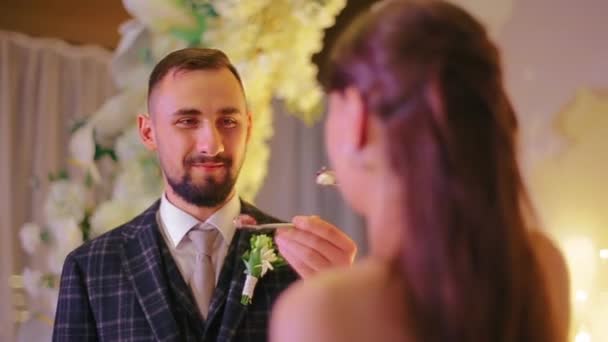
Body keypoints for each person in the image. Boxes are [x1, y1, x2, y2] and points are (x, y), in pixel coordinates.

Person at [270, 1, 570, 341]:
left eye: (332, 108)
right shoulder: (543, 265)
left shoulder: (318, 310)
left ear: (356, 119)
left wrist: (344, 292)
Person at [52, 48, 357, 342]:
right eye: (187, 121)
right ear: (148, 132)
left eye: (228, 121)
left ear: (248, 128)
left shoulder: (306, 266)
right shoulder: (90, 268)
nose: (212, 145)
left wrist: (351, 312)